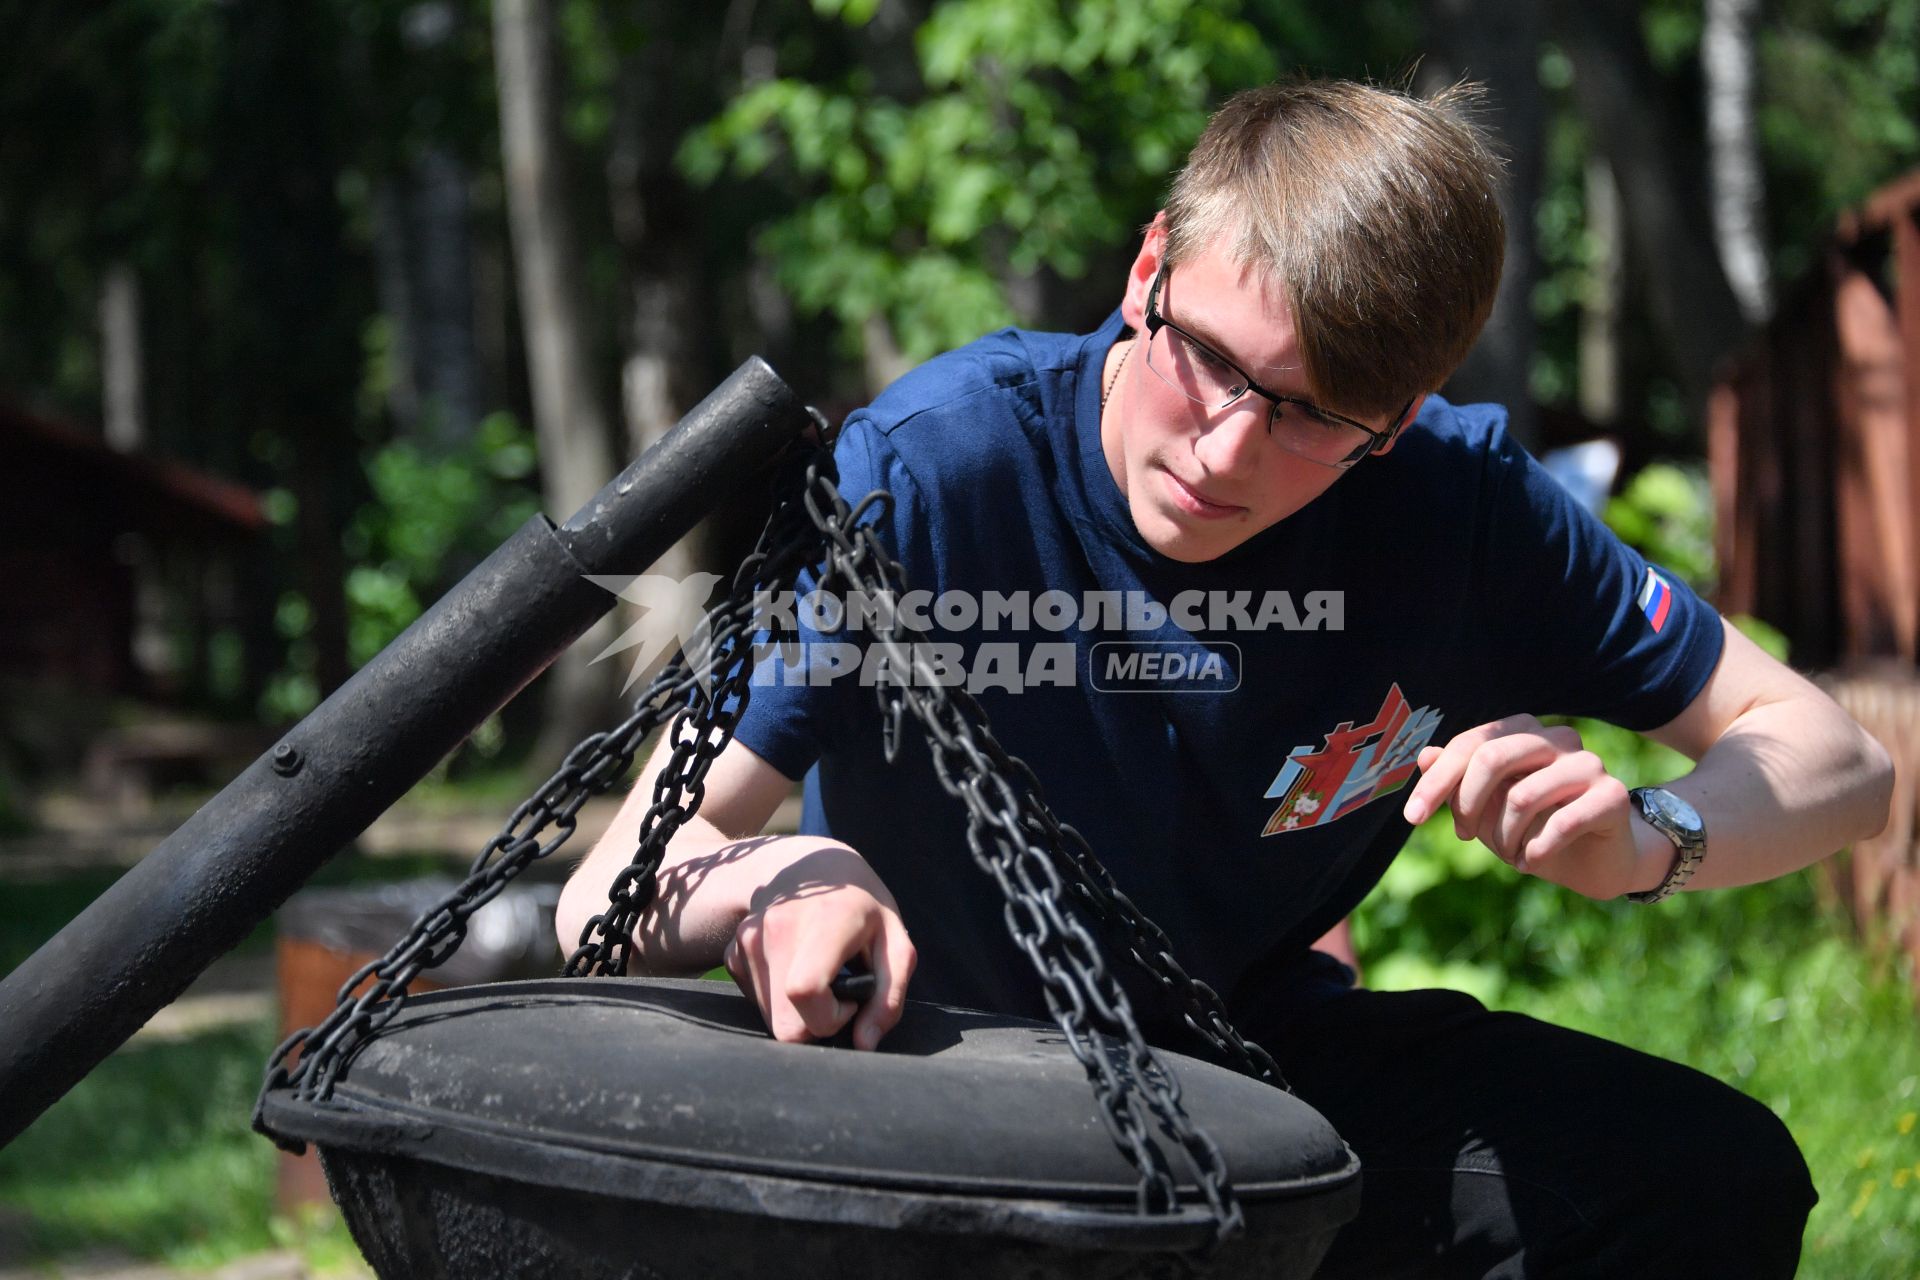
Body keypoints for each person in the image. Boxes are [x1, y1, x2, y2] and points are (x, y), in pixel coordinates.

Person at [557, 78, 1892, 1277]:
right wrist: (785, 880)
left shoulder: (1461, 509)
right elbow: (604, 889)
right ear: (1152, 265)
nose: (1229, 450)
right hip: (927, 1078)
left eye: (1313, 416)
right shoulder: (935, 474)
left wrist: (1646, 840)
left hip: (1248, 1076)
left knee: (1706, 1178)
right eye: (1208, 363)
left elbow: (1838, 761)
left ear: (1405, 413)